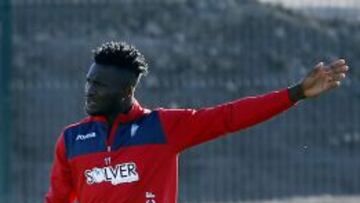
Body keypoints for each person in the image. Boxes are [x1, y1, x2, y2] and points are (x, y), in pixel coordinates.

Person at [45, 41, 349, 203]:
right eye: (88, 81)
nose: (89, 90)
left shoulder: (162, 127)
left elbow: (228, 118)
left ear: (126, 91)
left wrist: (295, 93)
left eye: (99, 85)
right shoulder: (72, 140)